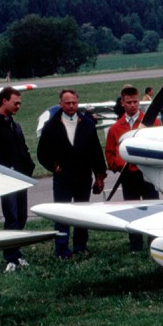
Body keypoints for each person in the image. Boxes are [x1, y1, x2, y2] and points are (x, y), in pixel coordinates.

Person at [37, 89, 107, 259]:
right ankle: (61, 250)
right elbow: (42, 152)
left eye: (74, 102)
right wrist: (54, 167)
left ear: (78, 102)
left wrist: (99, 176)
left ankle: (80, 246)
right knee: (62, 214)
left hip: (83, 177)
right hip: (63, 179)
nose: (71, 106)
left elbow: (96, 151)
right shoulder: (51, 125)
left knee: (82, 213)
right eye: (67, 103)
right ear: (61, 103)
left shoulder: (88, 124)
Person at [0, 86, 36, 272]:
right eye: (15, 103)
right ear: (4, 101)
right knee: (11, 216)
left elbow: (23, 149)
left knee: (21, 216)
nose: (18, 106)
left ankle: (16, 252)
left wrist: (29, 167)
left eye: (20, 103)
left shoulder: (15, 125)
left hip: (21, 177)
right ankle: (10, 257)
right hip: (5, 180)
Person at [105, 85, 161, 252]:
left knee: (153, 208)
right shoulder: (115, 128)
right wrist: (117, 165)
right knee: (132, 209)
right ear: (122, 103)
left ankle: (154, 242)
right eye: (128, 102)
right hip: (128, 176)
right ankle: (135, 244)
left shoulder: (152, 123)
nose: (132, 105)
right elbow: (109, 152)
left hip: (147, 174)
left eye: (135, 102)